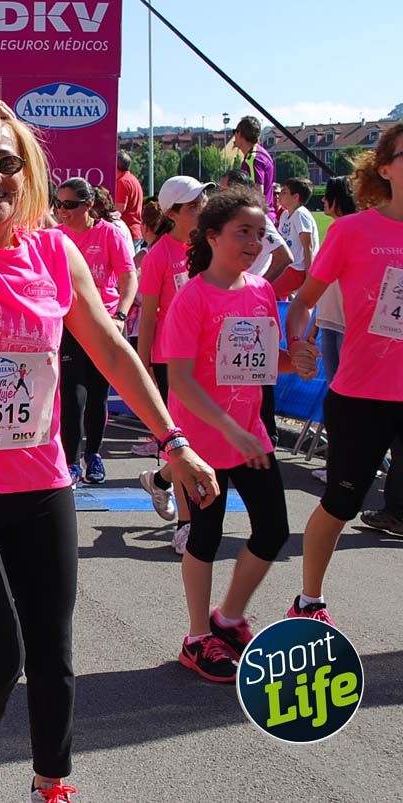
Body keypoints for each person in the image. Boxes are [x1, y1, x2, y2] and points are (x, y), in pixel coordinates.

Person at [0, 95, 217, 803]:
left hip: (41, 485)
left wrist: (173, 440)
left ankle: (53, 782)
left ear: (31, 175)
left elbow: (111, 351)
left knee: (55, 654)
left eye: (6, 162)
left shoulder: (55, 251)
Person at [162, 187, 295, 683]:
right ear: (213, 236)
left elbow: (262, 363)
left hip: (249, 436)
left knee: (273, 530)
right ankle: (197, 637)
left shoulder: (262, 292)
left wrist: (292, 361)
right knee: (206, 533)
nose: (255, 243)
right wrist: (228, 428)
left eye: (261, 234)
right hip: (202, 443)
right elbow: (180, 380)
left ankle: (229, 617)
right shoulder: (192, 297)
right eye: (244, 232)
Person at [285, 122, 403, 623]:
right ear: (385, 168)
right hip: (362, 395)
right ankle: (310, 599)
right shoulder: (353, 232)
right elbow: (303, 302)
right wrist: (299, 342)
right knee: (341, 504)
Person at [134, 176, 210, 547]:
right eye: (194, 205)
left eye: (203, 200)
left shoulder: (210, 246)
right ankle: (186, 523)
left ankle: (161, 479)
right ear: (173, 213)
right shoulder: (159, 255)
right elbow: (147, 316)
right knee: (182, 436)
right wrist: (143, 365)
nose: (203, 208)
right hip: (169, 360)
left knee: (201, 440)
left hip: (205, 358)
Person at [54, 178, 137, 485]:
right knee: (73, 395)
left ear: (88, 205)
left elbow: (129, 278)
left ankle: (93, 454)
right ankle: (72, 461)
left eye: (70, 205)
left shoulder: (109, 235)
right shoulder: (56, 237)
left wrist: (121, 315)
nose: (63, 211)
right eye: (59, 204)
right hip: (70, 325)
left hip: (103, 322)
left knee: (98, 394)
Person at [310, 176, 356, 484]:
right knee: (337, 397)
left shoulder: (350, 231)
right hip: (329, 322)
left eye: (327, 196)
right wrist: (313, 325)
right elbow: (317, 286)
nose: (323, 201)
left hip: (348, 326)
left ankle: (348, 465)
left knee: (345, 400)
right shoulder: (338, 232)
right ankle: (343, 463)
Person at [219, 170, 290, 281]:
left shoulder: (259, 220)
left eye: (223, 190)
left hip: (246, 292)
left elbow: (284, 256)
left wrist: (260, 287)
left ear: (237, 191)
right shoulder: (230, 217)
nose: (219, 195)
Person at [272, 177, 319, 299]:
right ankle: (288, 303)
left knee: (270, 290)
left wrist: (309, 277)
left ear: (296, 197)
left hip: (297, 269)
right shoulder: (285, 215)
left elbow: (308, 246)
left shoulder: (300, 214)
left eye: (284, 192)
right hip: (287, 266)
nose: (279, 195)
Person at [232, 115, 277, 220]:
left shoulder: (252, 160)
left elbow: (257, 194)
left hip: (260, 219)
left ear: (239, 134)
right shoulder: (262, 153)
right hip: (266, 216)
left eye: (234, 131)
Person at [115, 151, 144, 243]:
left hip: (128, 232)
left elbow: (119, 209)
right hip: (135, 230)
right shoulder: (132, 179)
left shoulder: (122, 182)